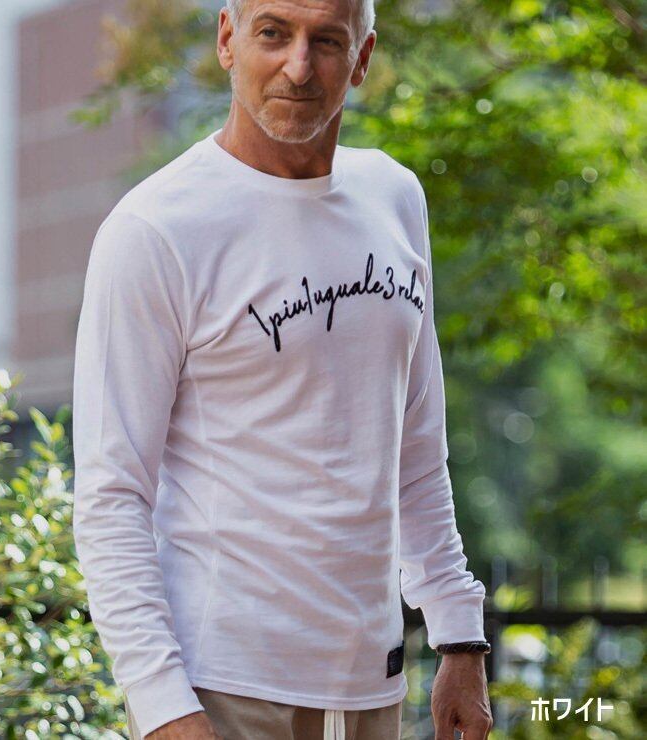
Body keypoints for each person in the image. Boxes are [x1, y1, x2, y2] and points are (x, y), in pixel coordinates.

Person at [71, 1, 494, 738]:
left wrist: (458, 633)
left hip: (371, 682)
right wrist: (162, 705)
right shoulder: (155, 229)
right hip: (220, 688)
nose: (298, 67)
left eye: (326, 41)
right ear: (228, 39)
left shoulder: (394, 198)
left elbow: (417, 447)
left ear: (362, 59)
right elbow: (112, 494)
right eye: (273, 33)